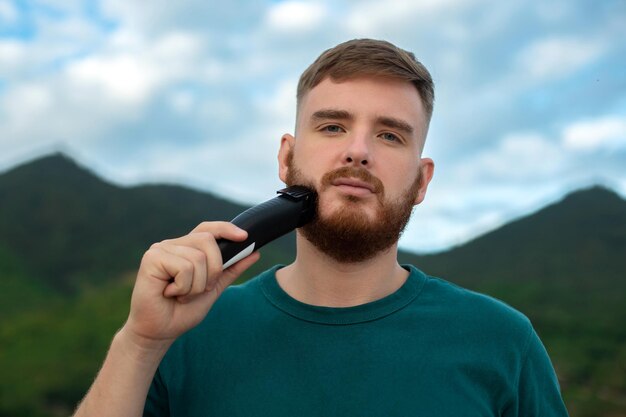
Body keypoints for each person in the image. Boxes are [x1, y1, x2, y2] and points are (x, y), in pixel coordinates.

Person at [73, 39, 569, 416]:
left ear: (421, 181)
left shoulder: (502, 340)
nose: (358, 150)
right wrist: (139, 343)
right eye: (332, 127)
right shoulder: (185, 331)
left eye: (390, 135)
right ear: (287, 158)